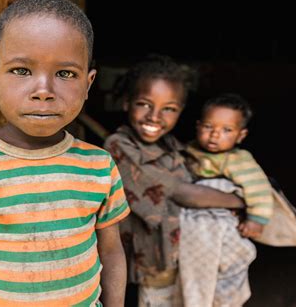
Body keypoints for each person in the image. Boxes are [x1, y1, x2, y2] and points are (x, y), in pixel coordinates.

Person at [0, 0, 130, 306]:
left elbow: (111, 253)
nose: (43, 91)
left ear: (88, 83)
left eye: (65, 73)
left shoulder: (99, 167)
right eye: (21, 70)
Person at [103, 55, 245, 307]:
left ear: (180, 111)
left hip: (178, 260)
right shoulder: (119, 146)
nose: (154, 116)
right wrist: (240, 201)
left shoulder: (171, 145)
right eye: (144, 104)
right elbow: (180, 191)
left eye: (168, 108)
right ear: (126, 103)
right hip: (145, 266)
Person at [179, 93, 274, 307]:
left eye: (226, 130)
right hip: (194, 233)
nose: (214, 135)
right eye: (208, 127)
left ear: (241, 135)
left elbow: (259, 190)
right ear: (197, 126)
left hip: (223, 230)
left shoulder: (239, 161)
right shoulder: (188, 150)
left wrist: (256, 220)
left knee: (224, 280)